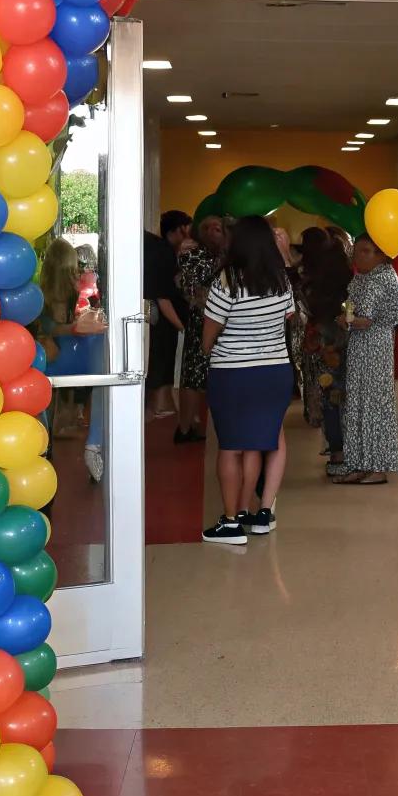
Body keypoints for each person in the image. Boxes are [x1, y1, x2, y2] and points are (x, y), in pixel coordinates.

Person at [201, 215, 295, 547]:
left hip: (233, 373)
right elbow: (288, 318)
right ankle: (243, 510)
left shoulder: (226, 280)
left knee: (229, 447)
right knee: (255, 442)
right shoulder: (280, 279)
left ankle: (230, 524)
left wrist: (208, 348)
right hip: (275, 372)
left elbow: (210, 330)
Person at [334, 233, 398, 486]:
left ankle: (377, 466)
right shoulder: (362, 277)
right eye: (357, 250)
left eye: (365, 251)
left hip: (376, 347)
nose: (358, 255)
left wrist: (349, 321)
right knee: (356, 405)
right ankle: (357, 463)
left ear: (381, 255)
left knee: (374, 406)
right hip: (359, 347)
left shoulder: (384, 277)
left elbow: (368, 319)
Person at [39, 237, 108, 482]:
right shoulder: (72, 286)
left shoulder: (40, 289)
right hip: (71, 356)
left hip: (50, 357)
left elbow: (48, 325)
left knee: (44, 394)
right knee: (105, 369)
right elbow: (67, 325)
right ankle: (95, 442)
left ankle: (44, 443)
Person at [299, 228, 352, 467]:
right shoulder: (346, 279)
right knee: (342, 395)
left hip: (320, 338)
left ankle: (335, 450)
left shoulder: (310, 279)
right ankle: (345, 448)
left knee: (328, 394)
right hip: (340, 336)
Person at [175, 213, 226, 445]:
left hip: (213, 320)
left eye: (219, 228)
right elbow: (190, 288)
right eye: (210, 228)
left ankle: (194, 425)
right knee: (194, 376)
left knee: (202, 375)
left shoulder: (224, 255)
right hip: (203, 320)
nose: (215, 232)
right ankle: (185, 427)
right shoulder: (193, 254)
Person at [143, 211, 190, 420]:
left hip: (154, 313)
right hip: (162, 317)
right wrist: (181, 326)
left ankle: (156, 404)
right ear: (180, 229)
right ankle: (159, 405)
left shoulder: (154, 248)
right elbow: (163, 296)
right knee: (163, 356)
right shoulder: (162, 251)